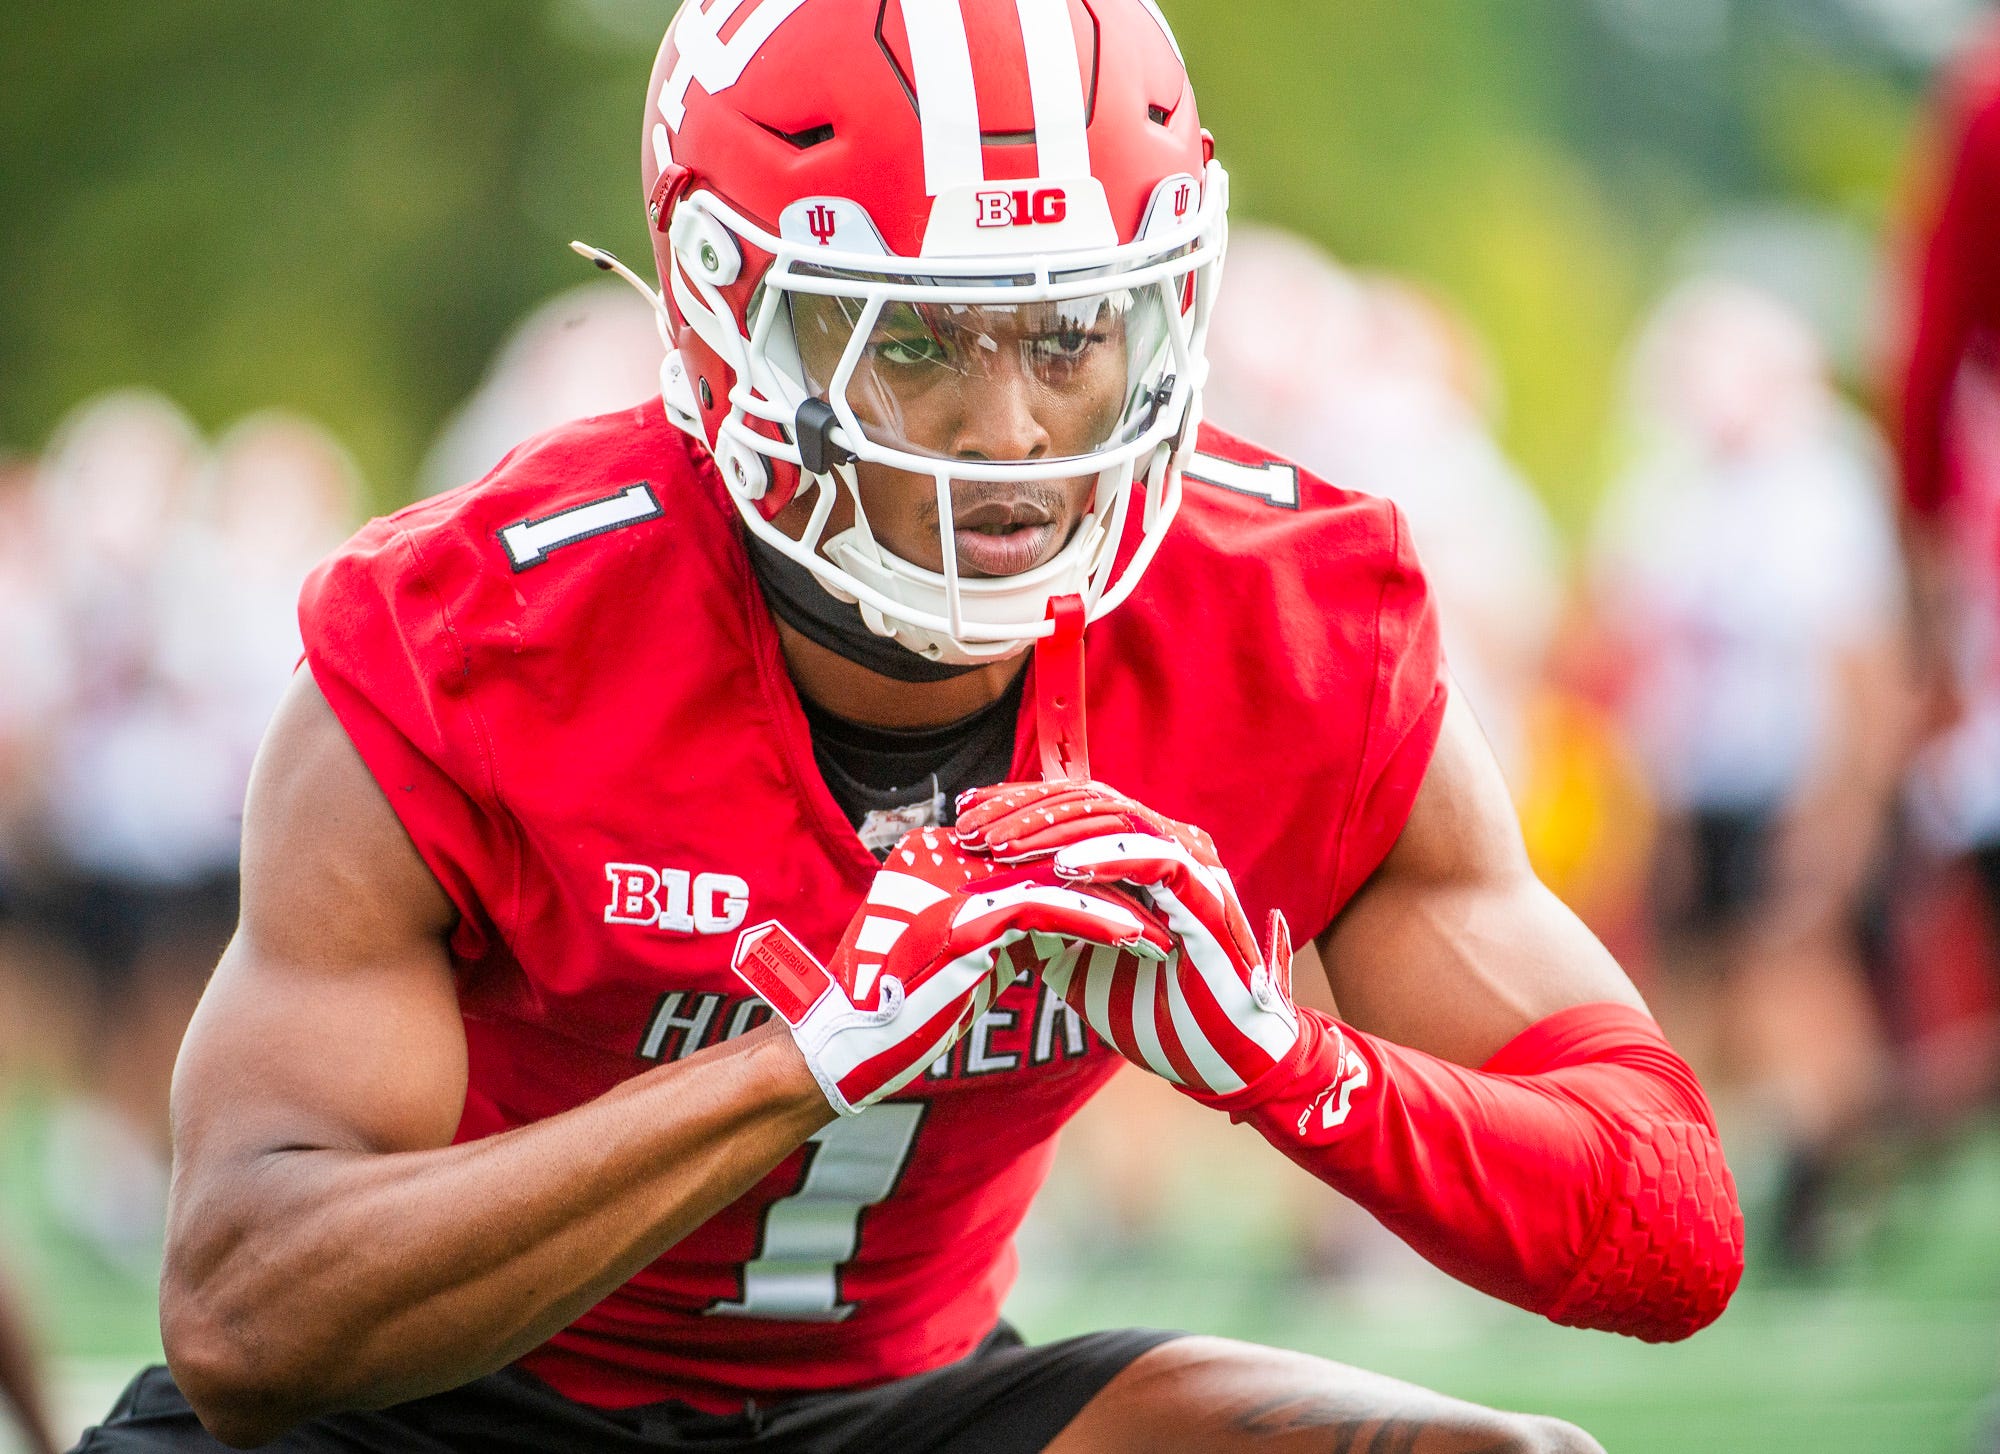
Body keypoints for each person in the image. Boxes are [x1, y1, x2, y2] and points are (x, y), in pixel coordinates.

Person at [78, 3, 1740, 1450]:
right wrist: (801, 1060)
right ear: (730, 315)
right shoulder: (472, 642)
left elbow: (1674, 1217)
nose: (1010, 429)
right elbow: (243, 1318)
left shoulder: (1290, 623)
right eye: (917, 337)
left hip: (914, 1399)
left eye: (1071, 330)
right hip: (439, 1416)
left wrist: (1290, 1068)